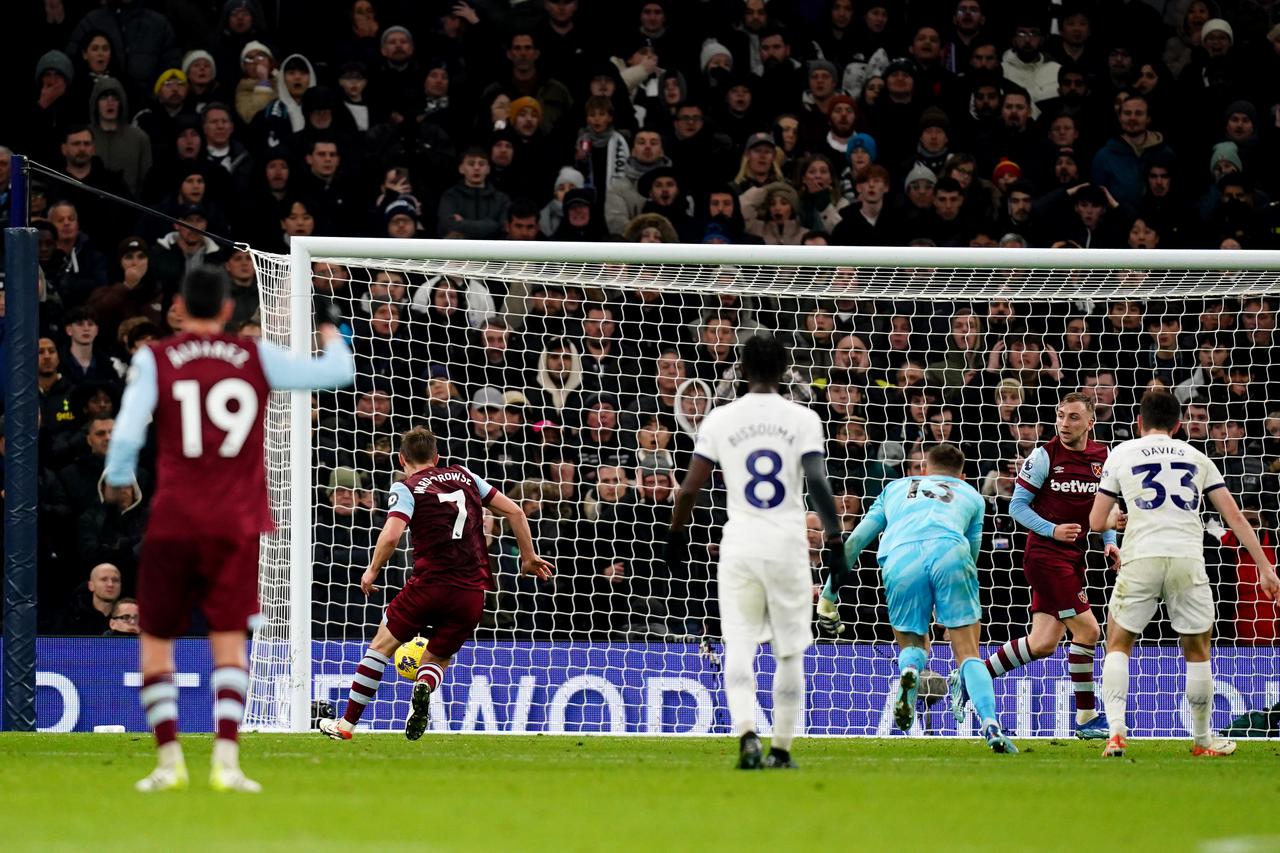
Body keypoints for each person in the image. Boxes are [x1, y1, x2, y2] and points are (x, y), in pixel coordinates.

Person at [103, 267, 356, 793]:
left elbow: (125, 439)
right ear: (225, 309)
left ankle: (169, 761)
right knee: (229, 641)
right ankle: (227, 761)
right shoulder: (254, 355)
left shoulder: (155, 358)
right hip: (236, 524)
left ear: (177, 306)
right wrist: (330, 326)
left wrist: (120, 485)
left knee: (156, 638)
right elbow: (336, 373)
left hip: (173, 520)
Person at [665, 333, 847, 770]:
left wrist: (676, 536)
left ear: (741, 370)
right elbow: (819, 484)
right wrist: (835, 539)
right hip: (787, 542)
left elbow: (689, 489)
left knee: (740, 644)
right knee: (789, 650)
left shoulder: (720, 419)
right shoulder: (802, 419)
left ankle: (747, 736)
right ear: (786, 370)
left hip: (741, 541)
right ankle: (781, 749)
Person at [320, 426, 552, 741]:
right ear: (437, 457)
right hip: (472, 592)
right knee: (438, 657)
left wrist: (373, 569)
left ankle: (345, 725)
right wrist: (528, 556)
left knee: (381, 646)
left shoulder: (406, 487)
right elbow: (513, 511)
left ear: (402, 459)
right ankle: (424, 685)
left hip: (429, 585)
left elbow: (391, 534)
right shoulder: (465, 476)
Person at [1090, 389, 1280, 758]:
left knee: (1118, 643)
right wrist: (1265, 567)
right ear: (1178, 425)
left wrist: (1118, 519)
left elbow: (1097, 521)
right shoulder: (1197, 456)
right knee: (1197, 649)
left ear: (1138, 423)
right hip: (1187, 557)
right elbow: (1235, 517)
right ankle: (1202, 740)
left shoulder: (1121, 453)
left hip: (1141, 555)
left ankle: (1115, 733)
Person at [820, 443, 1018, 754]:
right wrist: (951, 598)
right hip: (951, 552)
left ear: (924, 470)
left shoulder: (895, 488)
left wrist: (828, 596)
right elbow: (974, 551)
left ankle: (910, 672)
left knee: (913, 645)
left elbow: (855, 541)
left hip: (901, 557)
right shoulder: (972, 496)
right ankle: (990, 724)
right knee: (968, 652)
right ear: (963, 476)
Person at [970, 392, 1117, 739]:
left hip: (1075, 557)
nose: (1064, 424)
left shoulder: (1104, 457)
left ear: (1090, 423)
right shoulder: (1044, 456)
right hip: (1046, 557)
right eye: (1061, 416)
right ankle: (1085, 718)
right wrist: (1052, 529)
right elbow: (1016, 507)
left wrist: (1110, 541)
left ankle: (970, 676)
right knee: (1089, 632)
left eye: (1073, 418)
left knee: (1042, 643)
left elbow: (1104, 507)